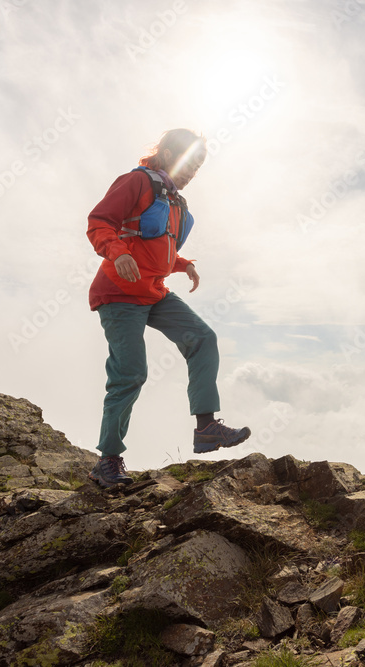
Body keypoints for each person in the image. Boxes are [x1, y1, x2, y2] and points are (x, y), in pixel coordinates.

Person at [84, 128, 251, 488]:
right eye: (190, 162)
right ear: (168, 153)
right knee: (131, 373)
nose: (193, 171)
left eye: (199, 166)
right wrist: (118, 251)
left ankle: (206, 427)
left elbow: (157, 248)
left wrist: (183, 263)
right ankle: (107, 461)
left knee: (202, 338)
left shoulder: (176, 203)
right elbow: (99, 223)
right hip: (118, 292)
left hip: (154, 293)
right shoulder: (136, 182)